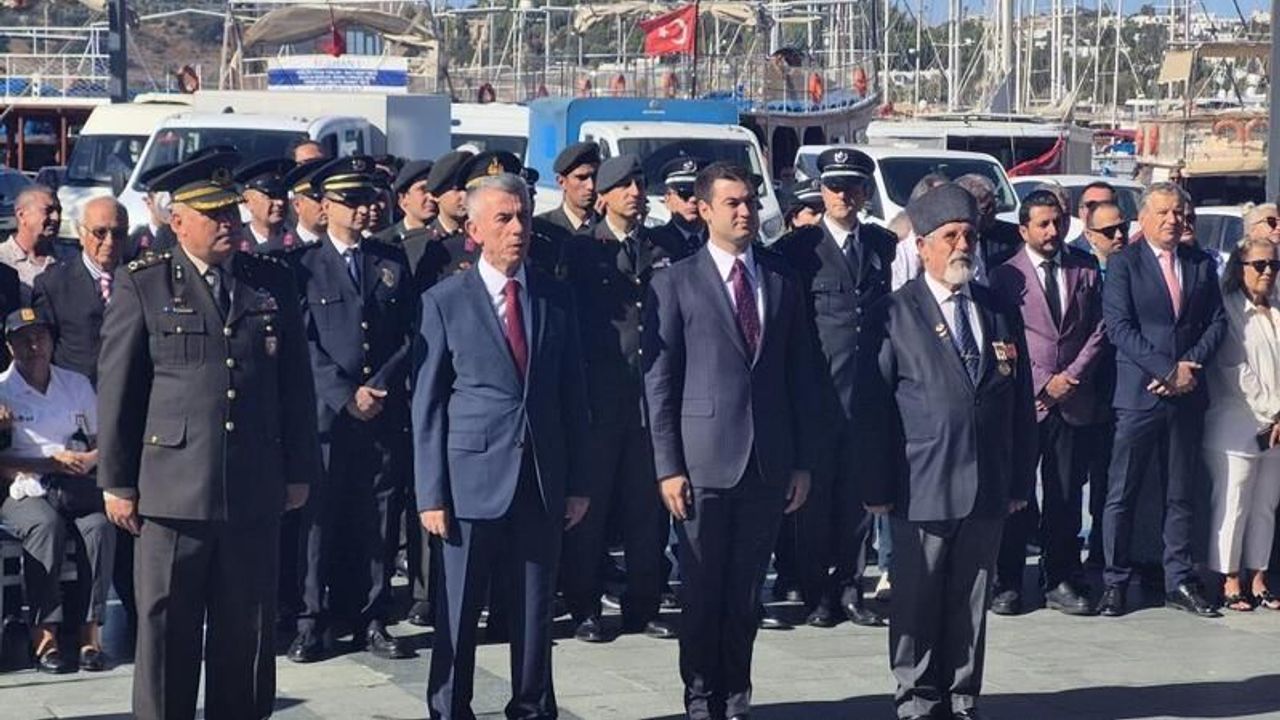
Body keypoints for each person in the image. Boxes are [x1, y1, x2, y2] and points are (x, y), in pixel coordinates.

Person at [96, 148, 321, 720]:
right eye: (213, 214)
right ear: (179, 221)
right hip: (173, 492)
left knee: (245, 631)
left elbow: (295, 386)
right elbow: (120, 390)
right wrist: (117, 482)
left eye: (230, 211)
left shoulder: (269, 282)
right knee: (167, 632)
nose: (228, 223)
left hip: (252, 486)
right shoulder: (144, 284)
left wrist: (299, 469)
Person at [643, 162, 818, 720]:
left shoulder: (781, 278)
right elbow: (660, 381)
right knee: (701, 591)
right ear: (704, 210)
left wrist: (801, 462)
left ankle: (736, 694)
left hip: (767, 462)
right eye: (733, 203)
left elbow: (800, 374)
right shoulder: (675, 281)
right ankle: (700, 696)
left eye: (750, 201)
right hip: (702, 463)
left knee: (745, 593)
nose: (746, 212)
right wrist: (668, 466)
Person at [857, 183, 1037, 720]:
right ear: (923, 247)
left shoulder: (997, 309)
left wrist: (1019, 482)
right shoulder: (894, 311)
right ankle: (917, 697)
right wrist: (876, 485)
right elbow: (873, 408)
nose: (963, 246)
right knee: (918, 598)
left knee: (971, 599)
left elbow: (1019, 402)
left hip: (987, 483)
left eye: (970, 236)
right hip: (922, 482)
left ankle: (961, 695)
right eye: (951, 236)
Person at [414, 172, 590, 720]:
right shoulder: (445, 301)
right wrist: (431, 494)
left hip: (539, 477)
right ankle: (450, 708)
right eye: (504, 219)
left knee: (534, 610)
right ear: (474, 230)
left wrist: (578, 483)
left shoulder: (555, 297)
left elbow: (573, 396)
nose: (518, 229)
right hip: (470, 480)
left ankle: (533, 706)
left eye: (524, 218)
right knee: (460, 609)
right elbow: (428, 404)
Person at [285, 155, 418, 662]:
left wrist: (379, 386)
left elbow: (409, 333)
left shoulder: (390, 261)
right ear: (325, 206)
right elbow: (302, 342)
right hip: (328, 417)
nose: (363, 209)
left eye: (368, 199)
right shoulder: (303, 266)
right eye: (351, 201)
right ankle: (311, 619)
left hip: (380, 412)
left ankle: (372, 616)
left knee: (377, 517)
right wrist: (345, 394)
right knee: (319, 520)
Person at [772, 147, 895, 629]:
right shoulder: (799, 249)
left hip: (868, 394)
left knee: (857, 502)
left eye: (852, 187)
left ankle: (850, 587)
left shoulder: (882, 245)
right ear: (821, 192)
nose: (844, 196)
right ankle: (816, 591)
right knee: (815, 504)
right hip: (819, 397)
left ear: (865, 193)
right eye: (835, 187)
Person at [560, 155, 679, 644]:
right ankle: (585, 605)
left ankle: (642, 605)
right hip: (600, 399)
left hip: (650, 399)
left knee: (645, 512)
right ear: (604, 196)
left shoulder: (659, 247)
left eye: (639, 184)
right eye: (623, 185)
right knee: (591, 511)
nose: (634, 193)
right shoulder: (582, 250)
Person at [1099, 181, 1227, 619]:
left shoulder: (1200, 264)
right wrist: (1165, 370)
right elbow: (1119, 327)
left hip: (1186, 394)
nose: (1173, 220)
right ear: (1144, 218)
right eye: (1164, 213)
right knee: (1123, 492)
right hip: (1140, 395)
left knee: (1180, 492)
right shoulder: (1125, 263)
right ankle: (1115, 580)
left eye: (1179, 213)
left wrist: (1188, 367)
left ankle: (1178, 579)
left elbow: (1216, 323)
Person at [988, 190, 1107, 616]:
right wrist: (1042, 382)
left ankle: (1059, 577)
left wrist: (1072, 376)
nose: (1052, 231)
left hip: (1073, 398)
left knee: (1065, 494)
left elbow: (1099, 328)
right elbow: (1001, 337)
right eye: (1043, 224)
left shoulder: (1084, 268)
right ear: (1024, 230)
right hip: (1026, 401)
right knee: (1017, 495)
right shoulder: (1004, 275)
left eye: (1058, 222)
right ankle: (1008, 580)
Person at [0, 308, 114, 674]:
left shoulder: (75, 383)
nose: (34, 346)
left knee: (99, 527)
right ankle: (44, 635)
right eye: (24, 340)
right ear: (10, 345)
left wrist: (89, 460)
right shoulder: (2, 389)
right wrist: (49, 464)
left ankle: (89, 634)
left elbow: (103, 442)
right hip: (23, 487)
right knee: (45, 527)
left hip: (76, 483)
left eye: (41, 337)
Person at [1202, 236, 1280, 612]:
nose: (1267, 272)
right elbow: (1236, 371)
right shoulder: (1229, 308)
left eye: (1274, 265)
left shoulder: (1277, 307)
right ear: (1240, 267)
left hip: (1276, 431)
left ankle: (1258, 576)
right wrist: (1275, 412)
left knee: (1266, 504)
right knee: (1234, 502)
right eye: (1259, 265)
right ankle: (1229, 577)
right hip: (1237, 425)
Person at [33, 197, 126, 386]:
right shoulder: (54, 284)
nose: (109, 242)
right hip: (76, 393)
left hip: (129, 392)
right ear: (81, 233)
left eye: (118, 233)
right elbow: (42, 350)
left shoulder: (141, 278)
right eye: (100, 232)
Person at [2, 185, 60, 303]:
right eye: (48, 211)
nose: (56, 218)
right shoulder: (3, 259)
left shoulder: (69, 259)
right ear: (21, 215)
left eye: (59, 211)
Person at [537, 141, 600, 237]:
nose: (590, 186)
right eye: (581, 178)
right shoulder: (542, 229)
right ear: (562, 182)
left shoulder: (611, 228)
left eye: (595, 176)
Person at [235, 158, 298, 254]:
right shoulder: (234, 245)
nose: (280, 202)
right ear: (247, 201)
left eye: (283, 195)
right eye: (271, 196)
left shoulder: (298, 243)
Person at [650, 156, 708, 258]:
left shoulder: (722, 239)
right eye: (685, 194)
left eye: (699, 193)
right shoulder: (655, 242)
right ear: (667, 200)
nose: (693, 199)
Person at [377, 159, 436, 246]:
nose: (431, 197)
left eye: (435, 190)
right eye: (423, 190)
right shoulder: (383, 243)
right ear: (403, 198)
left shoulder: (449, 236)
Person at [1070, 200, 1128, 276]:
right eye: (1109, 231)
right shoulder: (1082, 272)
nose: (1119, 235)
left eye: (1123, 227)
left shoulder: (1140, 264)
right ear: (1090, 236)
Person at [284, 158, 329, 246]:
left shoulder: (346, 247)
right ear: (297, 205)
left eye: (330, 200)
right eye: (319, 200)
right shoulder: (277, 250)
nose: (326, 205)